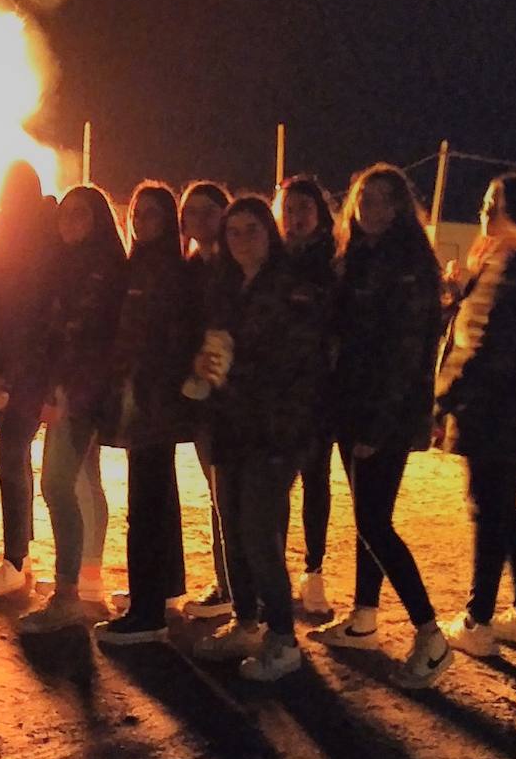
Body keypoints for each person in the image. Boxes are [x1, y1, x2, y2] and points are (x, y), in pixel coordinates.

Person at [309, 164, 452, 689]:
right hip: (353, 407)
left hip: (384, 413)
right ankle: (364, 617)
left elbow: (407, 356)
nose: (371, 209)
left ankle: (431, 637)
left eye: (384, 201)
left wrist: (379, 423)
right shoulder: (357, 256)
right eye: (364, 199)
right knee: (370, 517)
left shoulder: (409, 264)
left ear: (401, 208)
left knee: (375, 524)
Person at [187, 196, 329, 680]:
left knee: (258, 532)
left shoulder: (292, 289)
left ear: (270, 233)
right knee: (232, 526)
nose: (242, 239)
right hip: (230, 424)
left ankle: (283, 637)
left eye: (252, 229)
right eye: (234, 232)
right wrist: (204, 368)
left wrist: (234, 371)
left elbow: (296, 362)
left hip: (274, 428)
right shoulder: (227, 287)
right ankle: (246, 622)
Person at [435, 174, 516, 656]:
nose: (485, 209)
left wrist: (445, 400)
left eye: (494, 202)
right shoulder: (511, 261)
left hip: (494, 413)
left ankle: (477, 621)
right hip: (507, 412)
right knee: (503, 510)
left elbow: (486, 349)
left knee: (489, 511)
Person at [18, 185, 127, 634]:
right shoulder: (66, 265)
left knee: (56, 483)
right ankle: (84, 583)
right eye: (64, 215)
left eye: (80, 215)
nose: (70, 223)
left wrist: (64, 394)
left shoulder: (102, 270)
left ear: (98, 219)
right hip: (69, 391)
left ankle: (68, 595)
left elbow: (88, 339)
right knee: (80, 482)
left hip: (80, 395)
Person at [93, 182, 196, 645]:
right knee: (160, 495)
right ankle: (164, 590)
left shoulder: (165, 271)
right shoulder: (146, 265)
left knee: (146, 504)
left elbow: (168, 342)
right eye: (137, 212)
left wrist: (147, 390)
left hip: (152, 402)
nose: (141, 221)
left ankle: (146, 611)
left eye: (152, 214)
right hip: (150, 399)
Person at [0, 162, 57, 596]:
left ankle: (16, 559)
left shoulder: (43, 243)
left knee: (10, 453)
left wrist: (12, 371)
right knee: (13, 456)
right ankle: (17, 551)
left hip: (26, 370)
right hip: (3, 368)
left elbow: (36, 314)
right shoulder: (2, 235)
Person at [272, 175, 338, 616]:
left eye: (304, 209)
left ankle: (314, 573)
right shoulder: (272, 260)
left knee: (315, 480)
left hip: (317, 392)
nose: (295, 218)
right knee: (276, 483)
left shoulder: (333, 263)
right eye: (289, 209)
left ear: (320, 215)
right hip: (275, 392)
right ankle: (272, 570)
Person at [176, 181, 235, 620]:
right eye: (190, 211)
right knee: (219, 492)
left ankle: (236, 587)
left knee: (233, 493)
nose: (198, 218)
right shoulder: (192, 266)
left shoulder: (235, 266)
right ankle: (229, 581)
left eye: (207, 210)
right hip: (202, 396)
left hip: (234, 397)